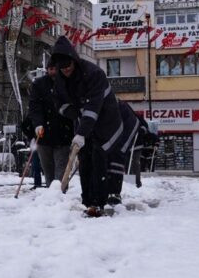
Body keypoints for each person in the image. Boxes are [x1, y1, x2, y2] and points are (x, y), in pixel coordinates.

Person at [49, 37, 138, 217]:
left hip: (107, 121)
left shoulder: (93, 74)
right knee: (84, 158)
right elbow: (60, 104)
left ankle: (98, 202)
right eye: (62, 67)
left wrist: (82, 131)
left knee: (99, 157)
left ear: (74, 60)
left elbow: (93, 107)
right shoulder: (59, 79)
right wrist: (76, 114)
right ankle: (88, 200)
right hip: (84, 121)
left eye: (68, 66)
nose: (66, 70)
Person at [28, 64, 74, 188]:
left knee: (61, 171)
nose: (53, 72)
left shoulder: (68, 83)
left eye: (55, 68)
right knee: (48, 172)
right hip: (44, 135)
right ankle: (51, 197)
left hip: (63, 134)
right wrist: (37, 124)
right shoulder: (39, 84)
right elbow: (34, 107)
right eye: (50, 69)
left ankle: (60, 194)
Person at [20, 115, 43, 189]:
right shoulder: (33, 115)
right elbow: (23, 126)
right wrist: (31, 136)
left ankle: (52, 183)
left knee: (46, 163)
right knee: (36, 164)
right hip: (36, 141)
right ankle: (37, 183)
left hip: (47, 142)